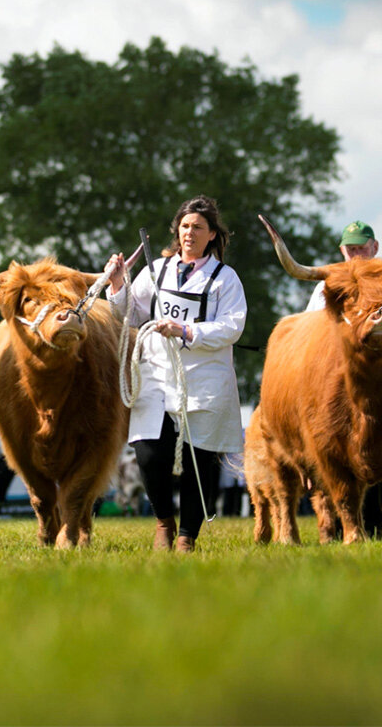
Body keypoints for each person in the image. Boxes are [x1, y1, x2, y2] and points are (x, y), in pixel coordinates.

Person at [105, 195, 247, 553]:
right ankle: (163, 522)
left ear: (212, 234)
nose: (190, 233)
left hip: (205, 377)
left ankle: (187, 535)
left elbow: (232, 327)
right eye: (185, 226)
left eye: (198, 227)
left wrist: (186, 331)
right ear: (176, 230)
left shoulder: (225, 279)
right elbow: (130, 315)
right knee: (149, 453)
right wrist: (119, 284)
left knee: (201, 461)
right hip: (156, 372)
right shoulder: (160, 270)